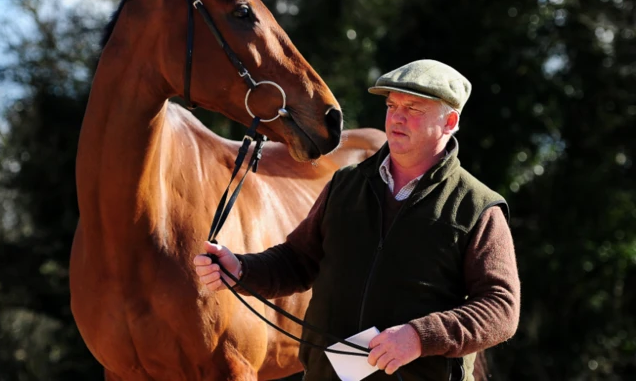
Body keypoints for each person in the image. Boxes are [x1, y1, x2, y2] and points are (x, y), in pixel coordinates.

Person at [194, 59, 520, 381]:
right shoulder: (345, 184)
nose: (397, 117)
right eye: (393, 106)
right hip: (328, 375)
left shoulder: (478, 208)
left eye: (414, 109)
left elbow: (501, 309)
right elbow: (298, 260)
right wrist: (241, 270)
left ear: (449, 122)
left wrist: (420, 336)